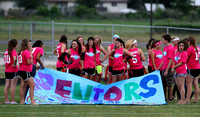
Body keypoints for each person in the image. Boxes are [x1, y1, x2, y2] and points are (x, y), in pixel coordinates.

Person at [18, 39, 38, 105]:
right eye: (29, 44)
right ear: (26, 44)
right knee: (32, 85)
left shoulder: (21, 51)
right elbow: (29, 62)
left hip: (21, 70)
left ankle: (22, 101)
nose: (30, 45)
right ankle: (32, 101)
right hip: (26, 70)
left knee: (23, 86)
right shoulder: (26, 51)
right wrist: (31, 59)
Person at [172, 40, 188, 104]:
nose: (181, 47)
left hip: (181, 71)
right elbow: (174, 60)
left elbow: (181, 63)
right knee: (178, 86)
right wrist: (174, 68)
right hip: (176, 71)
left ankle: (182, 100)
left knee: (181, 86)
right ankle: (181, 99)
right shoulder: (177, 53)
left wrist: (174, 67)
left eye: (182, 46)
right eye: (180, 45)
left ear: (184, 47)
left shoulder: (184, 53)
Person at [4, 39, 19, 104]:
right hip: (13, 70)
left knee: (7, 85)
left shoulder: (6, 51)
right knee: (13, 85)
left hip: (7, 70)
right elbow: (15, 59)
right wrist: (15, 64)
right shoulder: (13, 51)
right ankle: (12, 101)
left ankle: (6, 100)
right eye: (17, 44)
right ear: (15, 45)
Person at [185, 36, 200, 103]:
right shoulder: (198, 48)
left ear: (189, 42)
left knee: (189, 84)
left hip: (191, 68)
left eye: (188, 42)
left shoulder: (190, 48)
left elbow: (186, 58)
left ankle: (188, 99)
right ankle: (196, 99)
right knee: (196, 84)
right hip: (197, 67)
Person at [160, 34, 174, 102]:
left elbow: (171, 59)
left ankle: (170, 98)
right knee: (164, 84)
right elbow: (164, 59)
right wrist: (160, 67)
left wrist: (167, 70)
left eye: (163, 39)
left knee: (169, 84)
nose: (162, 41)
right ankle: (165, 97)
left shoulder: (170, 48)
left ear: (166, 40)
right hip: (164, 68)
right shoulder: (165, 48)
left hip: (168, 69)